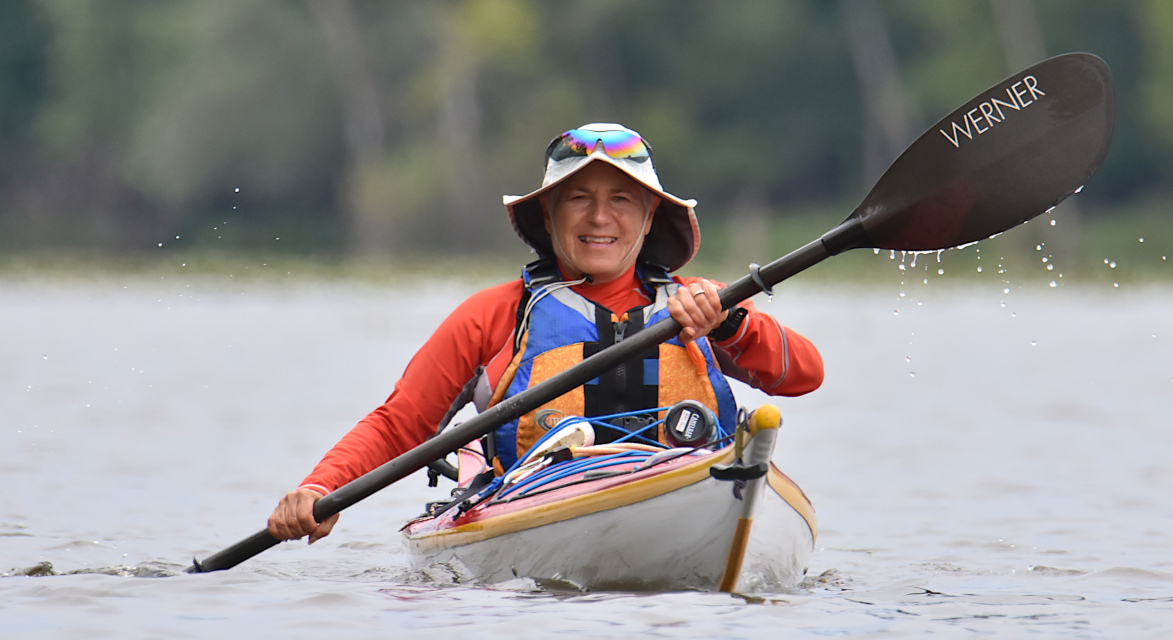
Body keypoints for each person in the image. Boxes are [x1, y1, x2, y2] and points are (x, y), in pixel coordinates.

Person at [267, 123, 824, 543]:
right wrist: (323, 488)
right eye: (579, 198)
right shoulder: (493, 317)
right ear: (549, 215)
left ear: (651, 215)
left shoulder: (700, 303)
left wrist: (731, 324)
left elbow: (806, 375)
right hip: (535, 508)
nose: (599, 218)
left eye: (621, 199)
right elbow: (401, 424)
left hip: (695, 491)